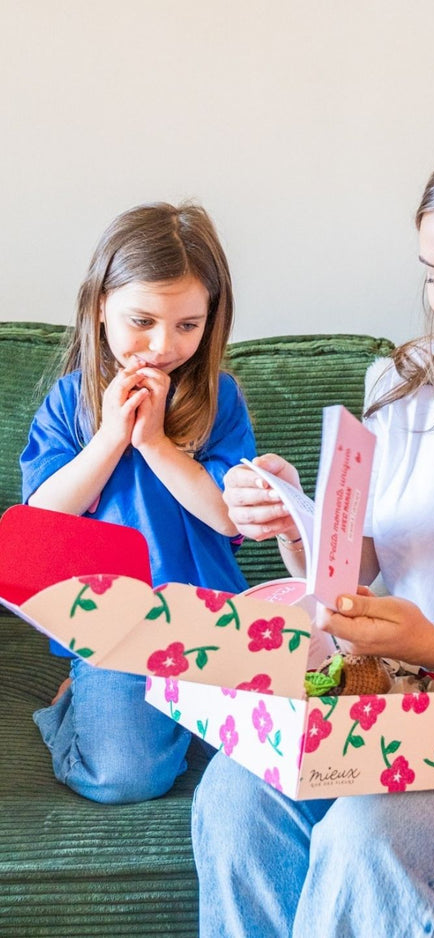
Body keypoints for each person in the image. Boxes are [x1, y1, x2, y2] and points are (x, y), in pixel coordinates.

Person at [192, 132, 434, 937]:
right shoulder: (406, 384)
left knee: (369, 841)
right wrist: (293, 518)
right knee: (233, 798)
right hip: (392, 700)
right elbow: (349, 574)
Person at [21, 202, 256, 804]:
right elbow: (43, 520)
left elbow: (227, 516)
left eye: (187, 325)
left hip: (210, 617)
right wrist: (111, 438)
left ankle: (168, 719)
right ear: (101, 307)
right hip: (114, 627)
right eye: (142, 320)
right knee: (128, 776)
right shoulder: (71, 400)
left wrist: (154, 442)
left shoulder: (219, 399)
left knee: (261, 757)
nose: (161, 345)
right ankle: (76, 706)